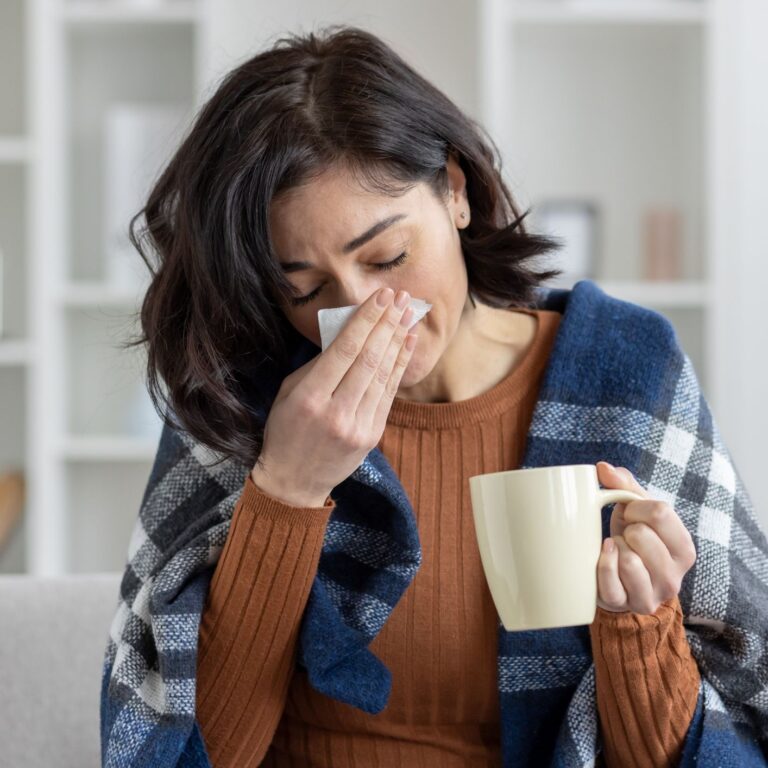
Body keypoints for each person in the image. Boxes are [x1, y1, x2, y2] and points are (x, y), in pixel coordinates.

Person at [99, 24, 768, 768]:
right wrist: (288, 487)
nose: (361, 310)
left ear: (455, 191)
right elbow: (195, 753)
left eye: (387, 257)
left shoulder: (626, 367)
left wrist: (639, 625)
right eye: (306, 289)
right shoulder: (243, 393)